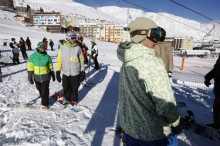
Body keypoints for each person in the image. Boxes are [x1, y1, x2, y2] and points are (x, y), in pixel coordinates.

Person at [117, 17, 181, 146]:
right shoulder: (152, 63)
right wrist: (176, 122)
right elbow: (165, 103)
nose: (157, 40)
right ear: (139, 35)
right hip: (154, 134)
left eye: (159, 35)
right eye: (154, 34)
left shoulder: (127, 59)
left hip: (132, 132)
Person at [56, 33, 85, 105]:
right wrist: (58, 71)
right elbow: (59, 60)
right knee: (66, 86)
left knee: (74, 87)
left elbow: (81, 60)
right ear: (68, 38)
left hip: (76, 72)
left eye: (75, 38)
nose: (74, 40)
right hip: (66, 72)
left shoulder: (78, 48)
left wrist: (82, 71)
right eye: (72, 38)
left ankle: (73, 99)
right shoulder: (62, 48)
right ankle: (66, 98)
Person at [27, 42, 55, 108]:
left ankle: (45, 104)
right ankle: (44, 97)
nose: (43, 49)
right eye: (42, 48)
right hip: (37, 77)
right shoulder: (32, 56)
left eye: (44, 48)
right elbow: (30, 67)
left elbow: (50, 66)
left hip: (45, 76)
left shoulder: (47, 57)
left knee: (44, 90)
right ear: (39, 47)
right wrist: (30, 76)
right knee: (40, 89)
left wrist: (52, 74)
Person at [204, 55, 220, 130]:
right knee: (216, 107)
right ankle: (216, 124)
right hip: (219, 90)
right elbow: (216, 69)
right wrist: (208, 78)